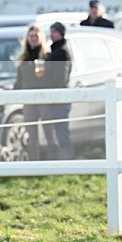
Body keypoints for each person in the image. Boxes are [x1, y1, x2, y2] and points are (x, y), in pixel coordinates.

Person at [13, 25, 48, 161]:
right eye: (31, 36)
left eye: (36, 36)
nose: (33, 38)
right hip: (28, 101)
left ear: (41, 38)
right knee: (31, 134)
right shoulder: (23, 59)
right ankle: (34, 163)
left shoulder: (47, 57)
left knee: (49, 132)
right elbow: (20, 81)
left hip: (43, 100)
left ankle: (54, 164)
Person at [41, 22, 73, 160]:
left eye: (54, 31)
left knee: (61, 131)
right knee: (58, 130)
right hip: (56, 96)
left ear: (61, 33)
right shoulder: (56, 50)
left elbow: (61, 77)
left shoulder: (62, 52)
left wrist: (46, 86)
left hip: (59, 98)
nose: (51, 34)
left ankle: (67, 159)